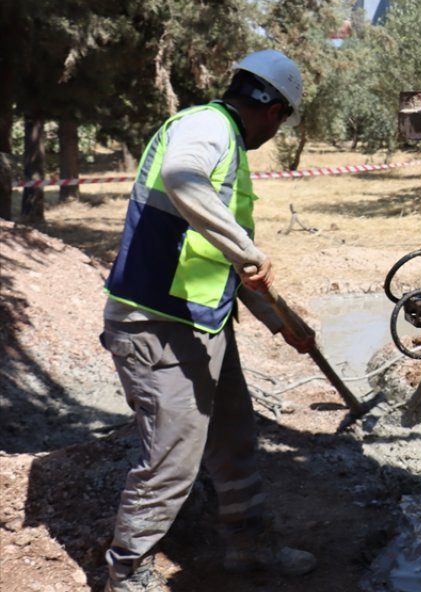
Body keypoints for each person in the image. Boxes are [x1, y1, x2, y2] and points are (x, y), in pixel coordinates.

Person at [99, 49, 318, 591]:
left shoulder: (227, 148)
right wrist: (247, 249)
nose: (277, 129)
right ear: (273, 110)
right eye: (283, 120)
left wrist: (278, 320)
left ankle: (251, 547)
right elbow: (180, 176)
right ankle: (127, 575)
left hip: (203, 324)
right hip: (156, 327)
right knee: (172, 460)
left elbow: (217, 255)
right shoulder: (206, 126)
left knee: (234, 441)